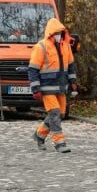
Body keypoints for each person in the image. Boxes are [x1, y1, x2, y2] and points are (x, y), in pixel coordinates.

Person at [28, 18, 78, 153]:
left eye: (60, 32)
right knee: (55, 113)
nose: (58, 35)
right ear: (50, 33)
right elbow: (33, 69)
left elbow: (71, 66)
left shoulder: (66, 46)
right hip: (47, 88)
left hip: (61, 87)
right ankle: (59, 142)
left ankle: (39, 135)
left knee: (60, 114)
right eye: (56, 33)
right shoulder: (41, 46)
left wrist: (73, 81)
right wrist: (35, 89)